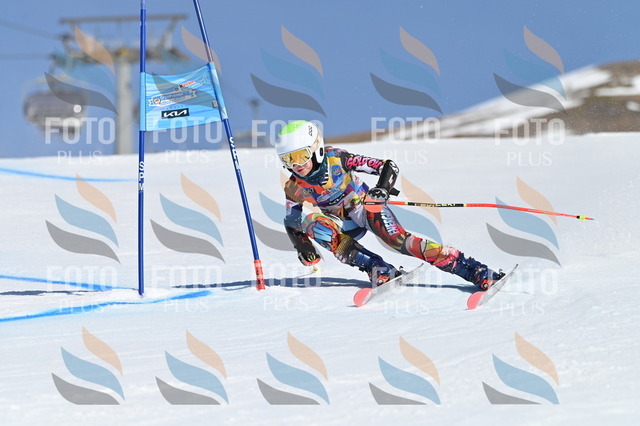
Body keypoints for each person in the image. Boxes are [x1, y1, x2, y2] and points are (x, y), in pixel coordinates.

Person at [276, 120, 504, 289]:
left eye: (301, 155)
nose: (296, 165)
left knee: (398, 241)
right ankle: (378, 268)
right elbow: (292, 220)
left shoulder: (337, 158)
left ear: (316, 148)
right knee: (314, 224)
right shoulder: (294, 186)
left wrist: (382, 189)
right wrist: (302, 246)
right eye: (288, 159)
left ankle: (473, 270)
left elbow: (387, 166)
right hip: (342, 222)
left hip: (366, 207)